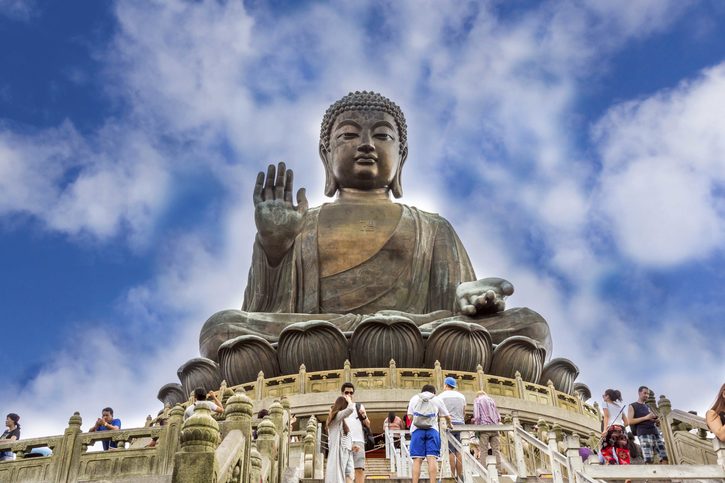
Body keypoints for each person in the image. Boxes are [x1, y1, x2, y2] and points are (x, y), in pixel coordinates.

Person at [198, 91, 553, 378]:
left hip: (420, 334)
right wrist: (274, 248)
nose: (366, 144)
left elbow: (457, 310)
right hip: (318, 337)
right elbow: (260, 310)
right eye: (349, 135)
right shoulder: (303, 223)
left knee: (532, 326)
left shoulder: (432, 227)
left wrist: (472, 300)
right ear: (326, 155)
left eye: (382, 135)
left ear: (402, 156)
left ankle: (381, 337)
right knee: (221, 329)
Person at [407, 384, 451, 483]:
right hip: (433, 430)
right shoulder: (437, 399)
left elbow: (409, 417)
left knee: (417, 460)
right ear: (433, 392)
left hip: (417, 430)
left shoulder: (414, 398)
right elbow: (447, 416)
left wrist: (419, 419)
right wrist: (450, 424)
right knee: (432, 459)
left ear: (422, 391)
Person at [627, 386, 668, 464]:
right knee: (649, 459)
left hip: (655, 432)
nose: (647, 395)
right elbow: (630, 421)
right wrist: (646, 417)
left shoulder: (648, 406)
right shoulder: (632, 406)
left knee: (664, 456)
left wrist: (656, 421)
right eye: (645, 393)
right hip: (643, 433)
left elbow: (651, 418)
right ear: (639, 393)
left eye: (648, 394)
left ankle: (665, 475)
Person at [438, 376, 466, 479]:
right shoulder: (462, 396)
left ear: (445, 385)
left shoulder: (441, 396)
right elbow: (464, 412)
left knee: (451, 451)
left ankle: (452, 475)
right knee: (459, 451)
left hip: (448, 425)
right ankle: (460, 475)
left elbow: (439, 412)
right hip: (460, 425)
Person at [340, 382, 369, 483]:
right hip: (344, 442)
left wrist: (364, 416)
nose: (349, 395)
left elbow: (368, 424)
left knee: (359, 468)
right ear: (342, 393)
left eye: (351, 393)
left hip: (358, 440)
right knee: (345, 470)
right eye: (346, 392)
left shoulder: (359, 406)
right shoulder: (339, 408)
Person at [325, 394, 355, 483]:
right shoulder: (336, 418)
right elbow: (350, 409)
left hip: (347, 451)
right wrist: (349, 400)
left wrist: (352, 447)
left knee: (349, 475)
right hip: (340, 451)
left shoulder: (341, 421)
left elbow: (346, 437)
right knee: (340, 476)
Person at [473, 390, 502, 469]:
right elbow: (499, 417)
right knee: (496, 450)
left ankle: (484, 470)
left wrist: (476, 426)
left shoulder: (477, 400)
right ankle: (498, 470)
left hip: (484, 428)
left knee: (484, 450)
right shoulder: (491, 400)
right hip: (495, 428)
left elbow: (477, 417)